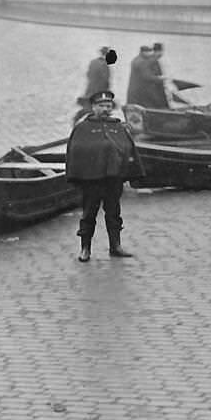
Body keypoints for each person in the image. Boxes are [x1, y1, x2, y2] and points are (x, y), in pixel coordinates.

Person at [66, 90, 142, 261]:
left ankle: (115, 246)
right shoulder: (83, 128)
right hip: (91, 179)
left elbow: (128, 148)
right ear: (93, 107)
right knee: (89, 213)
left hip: (113, 178)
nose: (105, 109)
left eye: (108, 106)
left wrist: (127, 168)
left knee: (114, 212)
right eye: (101, 106)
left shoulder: (117, 126)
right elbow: (75, 151)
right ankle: (85, 249)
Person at [77, 46, 118, 123]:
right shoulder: (105, 65)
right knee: (99, 109)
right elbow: (105, 80)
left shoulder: (93, 62)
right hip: (99, 91)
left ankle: (82, 122)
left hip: (89, 89)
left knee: (89, 108)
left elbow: (88, 74)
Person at [125, 44, 167, 109]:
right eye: (148, 51)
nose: (150, 53)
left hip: (135, 95)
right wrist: (160, 78)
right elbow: (147, 77)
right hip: (142, 96)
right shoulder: (144, 62)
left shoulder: (137, 60)